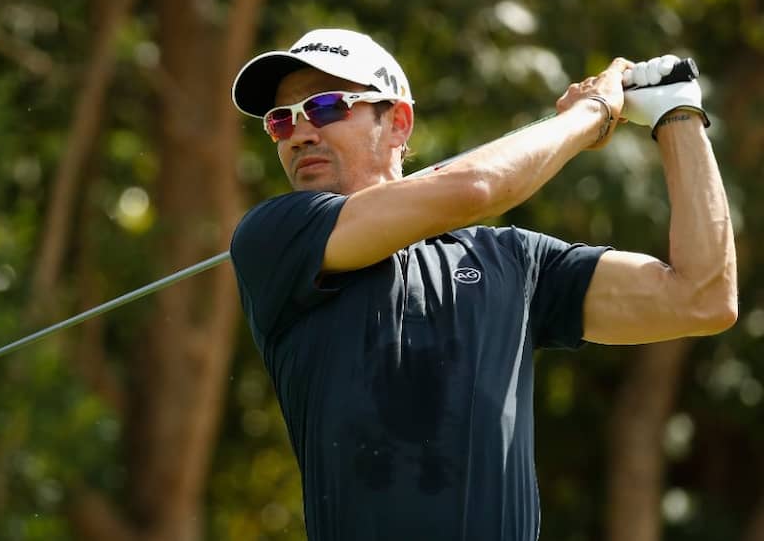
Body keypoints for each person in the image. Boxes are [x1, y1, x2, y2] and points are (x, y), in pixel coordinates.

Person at [228, 28, 737, 540]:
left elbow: (703, 297)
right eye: (280, 120)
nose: (300, 133)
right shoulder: (274, 237)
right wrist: (591, 114)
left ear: (398, 122)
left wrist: (678, 115)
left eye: (325, 107)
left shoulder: (513, 261)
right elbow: (476, 187)